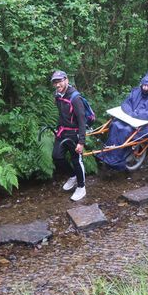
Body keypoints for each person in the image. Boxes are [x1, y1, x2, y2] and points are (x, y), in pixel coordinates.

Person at [98, 72, 148, 170]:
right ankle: (108, 156)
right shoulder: (136, 92)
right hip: (129, 119)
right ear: (141, 84)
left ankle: (116, 160)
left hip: (146, 125)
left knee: (125, 131)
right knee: (114, 125)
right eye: (144, 85)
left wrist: (136, 114)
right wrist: (130, 113)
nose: (145, 88)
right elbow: (126, 103)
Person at [51, 70, 87, 201]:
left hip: (74, 133)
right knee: (57, 156)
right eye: (55, 82)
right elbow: (62, 114)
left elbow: (82, 120)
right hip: (62, 132)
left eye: (59, 81)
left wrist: (81, 142)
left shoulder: (75, 98)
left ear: (66, 80)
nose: (57, 84)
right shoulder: (58, 95)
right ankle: (73, 176)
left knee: (76, 160)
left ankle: (81, 187)